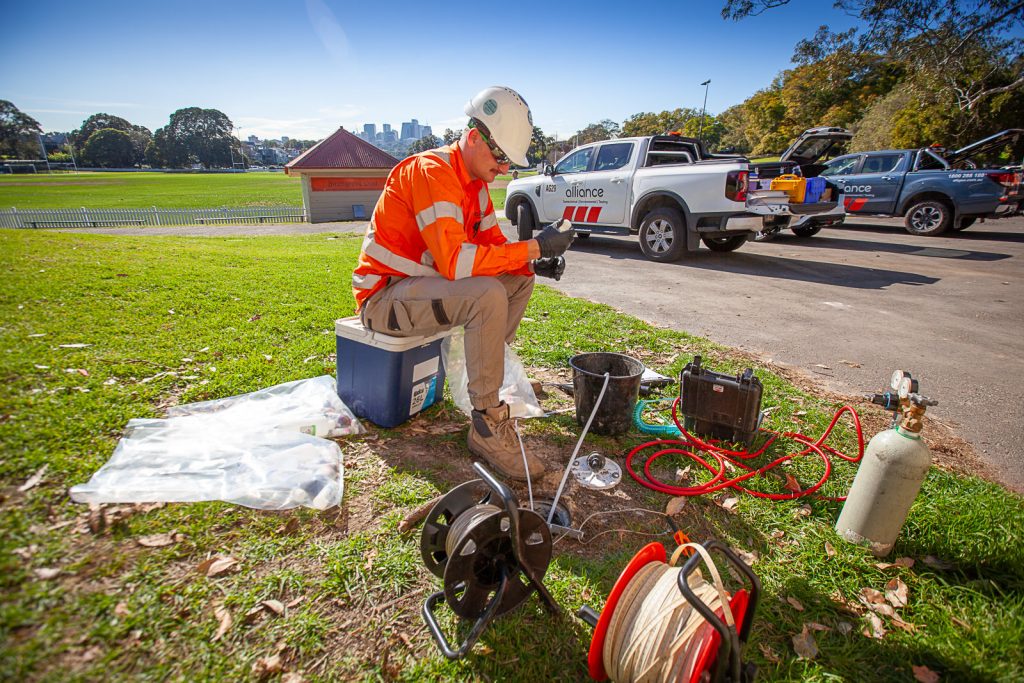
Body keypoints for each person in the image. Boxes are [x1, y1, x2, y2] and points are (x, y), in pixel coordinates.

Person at [351, 86, 576, 481]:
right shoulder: (432, 172)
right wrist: (534, 247)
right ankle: (487, 424)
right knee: (487, 294)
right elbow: (458, 263)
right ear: (474, 138)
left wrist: (532, 260)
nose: (505, 168)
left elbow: (493, 247)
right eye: (501, 156)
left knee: (518, 281)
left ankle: (486, 375)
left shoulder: (475, 186)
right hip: (384, 300)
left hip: (422, 293)